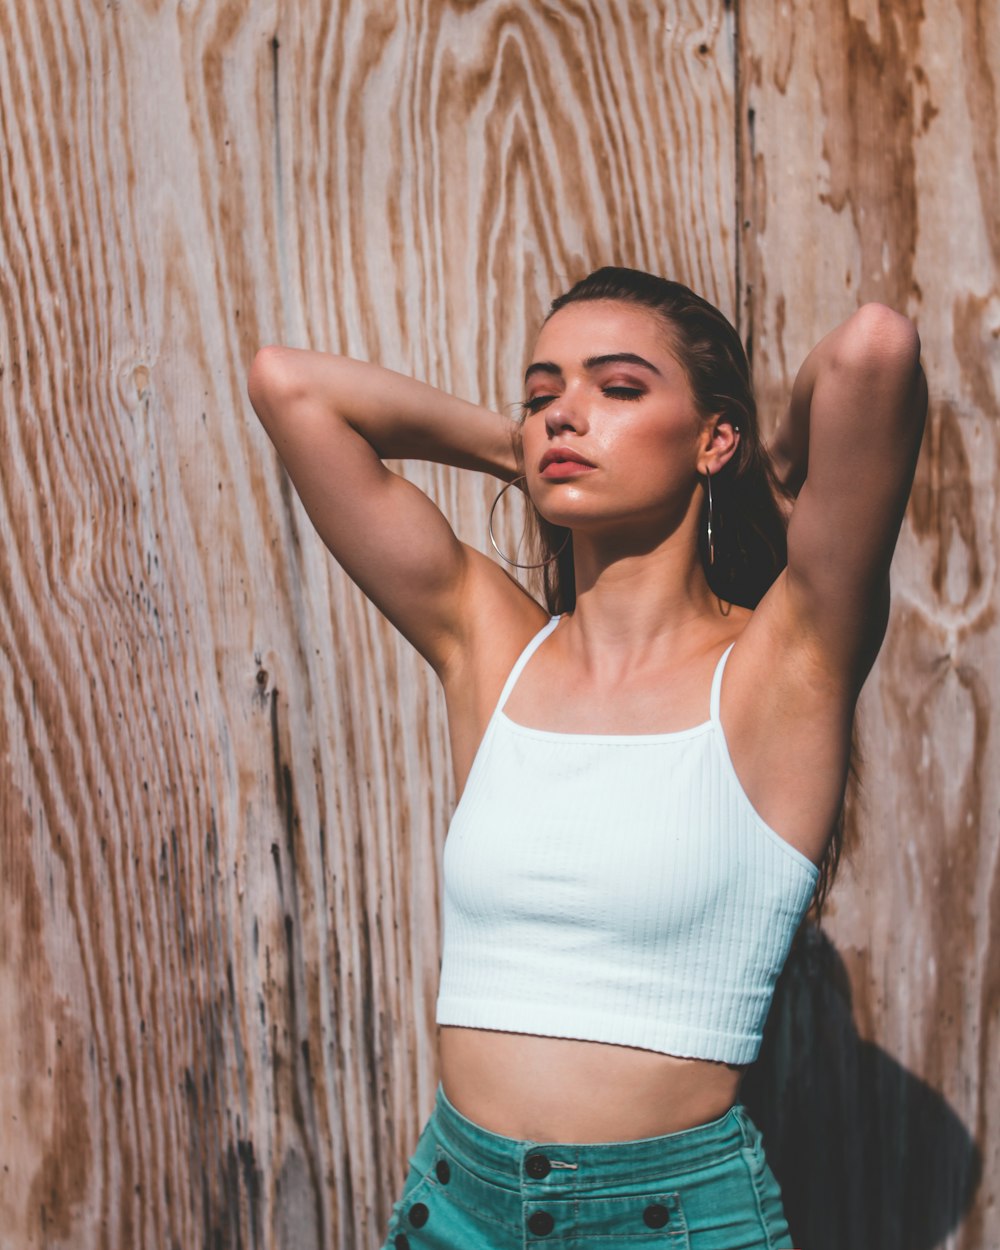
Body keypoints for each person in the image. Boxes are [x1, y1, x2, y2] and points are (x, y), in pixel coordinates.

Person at [247, 266, 927, 1249]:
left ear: (711, 438)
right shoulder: (491, 648)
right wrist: (516, 445)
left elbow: (875, 348)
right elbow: (288, 386)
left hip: (665, 1221)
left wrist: (779, 468)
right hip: (455, 1205)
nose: (564, 415)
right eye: (541, 395)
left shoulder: (781, 669)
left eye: (616, 389)